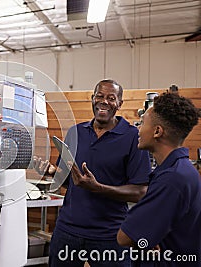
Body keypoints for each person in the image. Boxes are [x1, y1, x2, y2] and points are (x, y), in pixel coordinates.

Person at [33, 79, 151, 266]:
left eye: (111, 98)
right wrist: (52, 172)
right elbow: (72, 183)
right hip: (67, 232)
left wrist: (98, 188)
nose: (104, 101)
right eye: (100, 96)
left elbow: (140, 192)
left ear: (120, 104)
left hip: (110, 235)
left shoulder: (132, 138)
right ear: (92, 99)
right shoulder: (75, 133)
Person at [114, 92, 201, 266]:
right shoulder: (183, 171)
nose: (138, 128)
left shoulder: (172, 179)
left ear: (157, 131)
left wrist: (141, 237)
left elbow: (124, 237)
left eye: (143, 123)